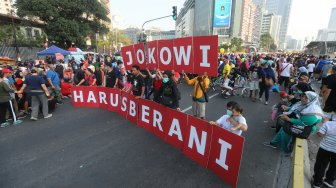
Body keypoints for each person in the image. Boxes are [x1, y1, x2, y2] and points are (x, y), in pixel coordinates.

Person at [311, 112, 336, 188]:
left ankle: (317, 182)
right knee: (334, 167)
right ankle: (329, 181)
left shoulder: (328, 124)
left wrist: (325, 123)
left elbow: (320, 134)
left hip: (325, 148)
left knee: (320, 165)